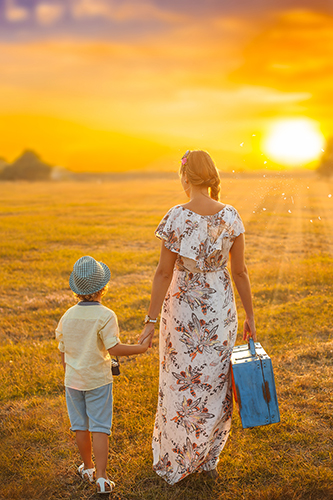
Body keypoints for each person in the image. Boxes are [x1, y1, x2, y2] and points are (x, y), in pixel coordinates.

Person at [139, 150, 256, 485]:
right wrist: (250, 315)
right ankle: (207, 457)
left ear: (185, 177)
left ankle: (178, 455)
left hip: (183, 312)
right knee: (214, 381)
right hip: (220, 310)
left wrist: (150, 321)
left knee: (180, 380)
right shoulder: (231, 216)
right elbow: (241, 272)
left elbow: (163, 274)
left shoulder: (176, 216)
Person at [56, 255, 153, 494]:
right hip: (98, 381)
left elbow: (63, 351)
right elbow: (114, 349)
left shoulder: (67, 315)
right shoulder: (106, 315)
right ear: (103, 287)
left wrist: (70, 373)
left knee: (80, 426)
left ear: (76, 289)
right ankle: (101, 477)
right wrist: (140, 348)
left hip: (73, 382)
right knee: (100, 427)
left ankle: (87, 467)